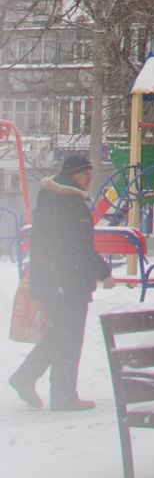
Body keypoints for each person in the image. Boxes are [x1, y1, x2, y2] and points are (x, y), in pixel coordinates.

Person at [9, 150, 114, 411]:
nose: (89, 177)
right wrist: (104, 273)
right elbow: (78, 246)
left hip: (57, 279)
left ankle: (34, 381)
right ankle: (61, 394)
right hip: (67, 281)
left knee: (61, 335)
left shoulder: (55, 199)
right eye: (83, 173)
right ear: (70, 177)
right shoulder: (68, 203)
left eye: (90, 173)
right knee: (68, 337)